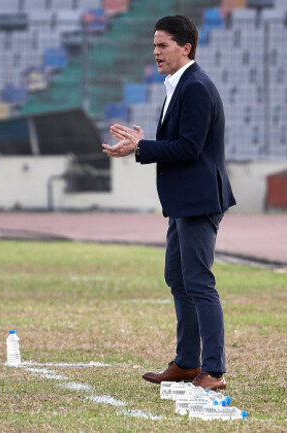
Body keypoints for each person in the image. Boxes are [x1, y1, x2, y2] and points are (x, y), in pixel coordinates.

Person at [102, 15, 236, 390]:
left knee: (198, 281)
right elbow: (180, 142)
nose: (156, 52)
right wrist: (147, 142)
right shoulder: (179, 84)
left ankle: (214, 371)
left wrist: (141, 147)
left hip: (199, 200)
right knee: (177, 278)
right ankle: (188, 363)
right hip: (183, 201)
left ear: (185, 47)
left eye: (163, 45)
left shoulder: (194, 87)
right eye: (154, 45)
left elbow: (190, 148)